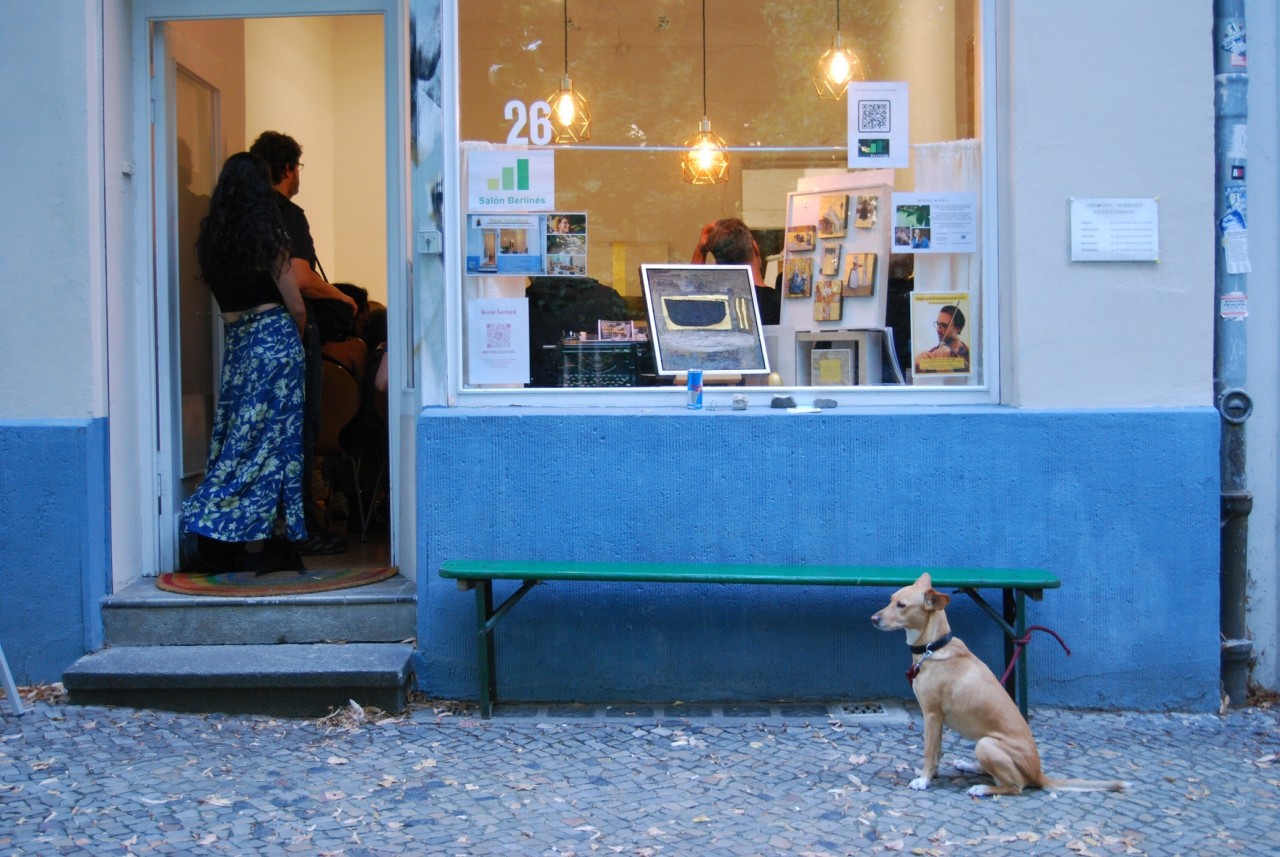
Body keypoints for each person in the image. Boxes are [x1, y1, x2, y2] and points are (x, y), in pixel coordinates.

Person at [181, 152, 308, 574]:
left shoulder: (215, 238)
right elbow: (296, 304)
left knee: (240, 441)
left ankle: (240, 537)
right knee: (276, 445)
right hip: (274, 340)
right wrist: (298, 336)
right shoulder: (266, 233)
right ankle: (236, 529)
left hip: (238, 346)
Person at [249, 131, 354, 556]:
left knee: (266, 434)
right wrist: (341, 297)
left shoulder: (246, 215)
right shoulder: (286, 213)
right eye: (298, 168)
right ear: (289, 169)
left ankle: (270, 528)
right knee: (302, 432)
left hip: (250, 336)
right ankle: (302, 527)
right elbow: (299, 276)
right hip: (290, 334)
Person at [690, 218, 781, 325]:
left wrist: (700, 252)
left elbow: (689, 295)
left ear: (718, 263)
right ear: (755, 248)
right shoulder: (780, 305)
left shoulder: (715, 308)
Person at [914, 304, 970, 374]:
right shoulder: (932, 353)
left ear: (957, 329)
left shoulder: (969, 355)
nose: (938, 330)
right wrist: (918, 368)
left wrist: (945, 369)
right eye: (938, 324)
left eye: (944, 325)